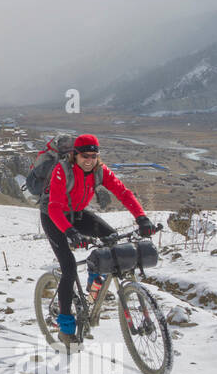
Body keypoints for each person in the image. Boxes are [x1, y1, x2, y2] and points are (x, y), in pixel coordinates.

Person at [41, 134, 156, 345]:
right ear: (75, 155)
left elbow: (123, 192)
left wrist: (142, 217)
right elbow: (54, 207)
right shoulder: (62, 171)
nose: (89, 160)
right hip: (54, 218)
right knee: (69, 269)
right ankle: (65, 328)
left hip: (77, 213)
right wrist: (70, 232)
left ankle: (94, 279)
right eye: (85, 155)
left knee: (111, 239)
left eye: (94, 155)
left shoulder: (100, 171)